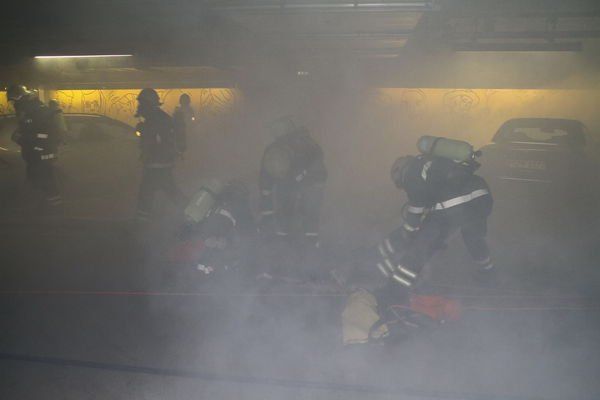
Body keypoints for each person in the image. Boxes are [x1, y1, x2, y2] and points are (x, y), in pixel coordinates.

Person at [376, 136, 494, 305]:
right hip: (481, 197)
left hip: (454, 205)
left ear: (400, 172)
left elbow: (416, 209)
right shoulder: (431, 163)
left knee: (419, 248)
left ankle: (395, 291)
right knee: (473, 238)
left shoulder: (411, 173)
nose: (404, 188)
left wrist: (409, 232)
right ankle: (488, 274)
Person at [258, 117, 327, 249]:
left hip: (310, 183)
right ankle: (288, 241)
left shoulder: (304, 145)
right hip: (293, 184)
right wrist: (267, 212)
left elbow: (317, 163)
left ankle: (308, 243)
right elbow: (265, 180)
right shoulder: (275, 151)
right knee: (289, 211)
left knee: (308, 212)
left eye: (277, 130)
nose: (276, 133)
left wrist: (302, 176)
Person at [177, 179, 256, 275]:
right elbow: (247, 232)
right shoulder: (240, 205)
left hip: (209, 225)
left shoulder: (217, 199)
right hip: (215, 225)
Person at [6, 84, 65, 211]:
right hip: (36, 155)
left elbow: (40, 135)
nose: (13, 105)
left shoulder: (34, 112)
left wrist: (20, 139)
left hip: (40, 155)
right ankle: (42, 208)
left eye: (13, 101)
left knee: (46, 182)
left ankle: (55, 211)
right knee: (38, 181)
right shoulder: (31, 110)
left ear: (20, 98)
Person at [134, 88, 184, 221]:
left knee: (146, 193)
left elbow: (152, 140)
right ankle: (189, 211)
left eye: (141, 103)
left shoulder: (154, 119)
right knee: (169, 190)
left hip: (156, 164)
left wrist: (142, 130)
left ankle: (141, 222)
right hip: (161, 163)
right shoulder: (158, 117)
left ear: (148, 104)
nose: (139, 106)